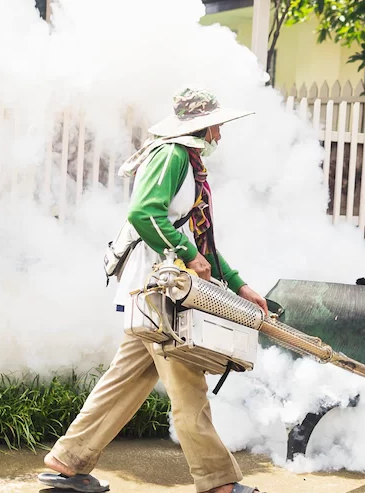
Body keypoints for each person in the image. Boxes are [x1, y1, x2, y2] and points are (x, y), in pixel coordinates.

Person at [38, 88, 268, 493]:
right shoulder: (174, 156)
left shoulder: (185, 160)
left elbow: (200, 239)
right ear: (201, 126)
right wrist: (186, 254)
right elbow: (144, 213)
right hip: (159, 288)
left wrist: (237, 284)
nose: (220, 135)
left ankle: (68, 460)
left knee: (127, 377)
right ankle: (219, 483)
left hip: (158, 286)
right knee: (187, 381)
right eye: (217, 126)